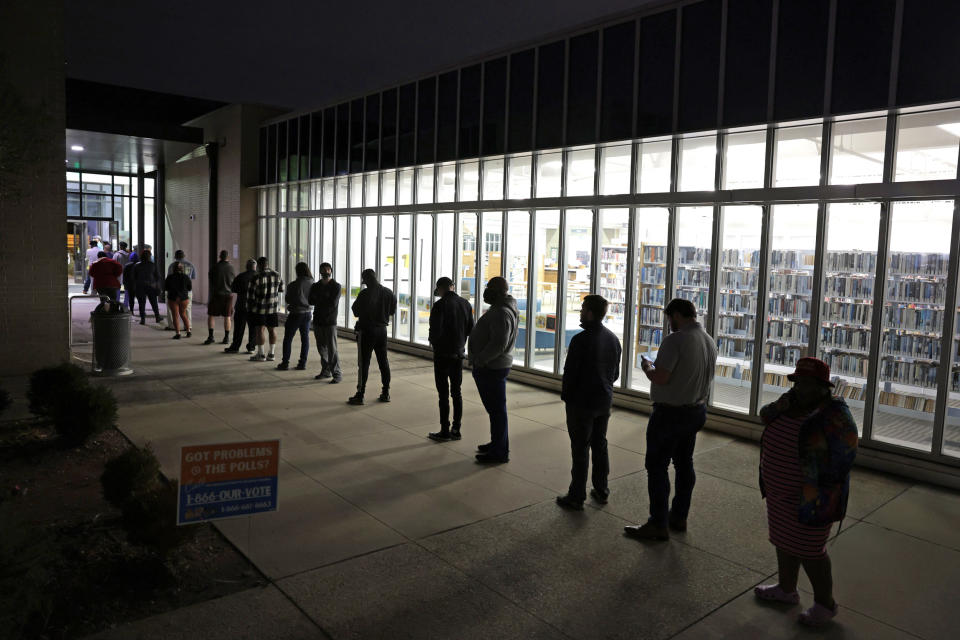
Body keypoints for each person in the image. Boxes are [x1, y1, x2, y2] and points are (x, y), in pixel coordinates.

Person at [753, 357, 858, 627]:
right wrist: (782, 404)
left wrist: (816, 482)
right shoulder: (790, 402)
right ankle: (786, 589)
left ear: (824, 386)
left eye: (808, 383)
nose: (801, 387)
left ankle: (826, 604)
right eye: (798, 381)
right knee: (783, 540)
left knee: (810, 550)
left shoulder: (834, 413)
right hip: (779, 493)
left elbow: (845, 454)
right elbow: (764, 415)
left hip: (811, 498)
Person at [624, 298, 717, 541]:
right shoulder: (708, 340)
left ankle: (657, 523)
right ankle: (679, 516)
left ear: (676, 314)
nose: (669, 324)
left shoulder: (675, 340)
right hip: (696, 410)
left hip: (670, 414)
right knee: (684, 463)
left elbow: (661, 377)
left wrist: (647, 368)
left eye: (669, 318)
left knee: (657, 466)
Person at [556, 295, 622, 510]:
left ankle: (576, 495)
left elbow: (570, 373)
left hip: (581, 403)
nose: (580, 312)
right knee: (600, 444)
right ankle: (601, 489)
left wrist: (567, 396)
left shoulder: (580, 340)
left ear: (590, 313)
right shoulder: (613, 339)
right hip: (603, 401)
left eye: (583, 309)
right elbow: (615, 374)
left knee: (580, 448)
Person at [467, 277, 519, 464]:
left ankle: (499, 451)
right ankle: (497, 443)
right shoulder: (501, 310)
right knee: (495, 411)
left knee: (497, 411)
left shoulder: (501, 313)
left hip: (492, 367)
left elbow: (498, 344)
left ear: (499, 291)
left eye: (489, 287)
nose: (486, 290)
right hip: (491, 366)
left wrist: (480, 359)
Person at [427, 277, 474, 442]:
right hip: (458, 354)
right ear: (452, 287)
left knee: (443, 394)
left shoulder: (439, 305)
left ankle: (444, 430)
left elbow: (435, 331)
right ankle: (456, 429)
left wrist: (435, 343)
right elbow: (470, 329)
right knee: (457, 393)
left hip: (442, 355)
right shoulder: (465, 304)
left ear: (440, 288)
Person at [347, 269, 396, 405]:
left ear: (366, 280)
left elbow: (355, 311)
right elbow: (392, 311)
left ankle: (360, 394)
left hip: (367, 331)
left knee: (364, 363)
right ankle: (386, 392)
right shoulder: (388, 293)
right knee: (383, 362)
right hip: (382, 331)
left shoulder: (365, 294)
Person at [308, 262, 342, 382]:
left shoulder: (336, 286)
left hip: (330, 322)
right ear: (320, 271)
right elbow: (310, 301)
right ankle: (326, 370)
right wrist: (323, 298)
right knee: (321, 348)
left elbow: (333, 303)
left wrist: (319, 298)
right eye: (323, 269)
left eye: (328, 269)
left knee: (332, 349)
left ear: (331, 271)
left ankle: (337, 374)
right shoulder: (315, 286)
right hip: (318, 321)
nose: (326, 271)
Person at [278, 262, 315, 370]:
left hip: (295, 314)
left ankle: (285, 363)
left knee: (288, 338)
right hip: (308, 313)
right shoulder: (313, 283)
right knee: (305, 338)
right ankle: (302, 363)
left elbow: (288, 299)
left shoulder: (293, 285)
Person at [247, 256, 282, 361]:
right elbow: (282, 289)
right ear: (267, 264)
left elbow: (250, 296)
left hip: (260, 309)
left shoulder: (255, 277)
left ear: (258, 265)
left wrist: (249, 309)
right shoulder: (277, 274)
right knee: (272, 330)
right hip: (273, 308)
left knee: (260, 330)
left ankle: (261, 355)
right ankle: (271, 354)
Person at [224, 259, 258, 354]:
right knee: (253, 327)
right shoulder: (258, 277)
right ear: (255, 267)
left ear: (247, 266)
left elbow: (233, 288)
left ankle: (235, 347)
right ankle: (251, 347)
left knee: (239, 328)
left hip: (241, 305)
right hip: (254, 306)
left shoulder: (241, 276)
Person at [205, 250, 236, 345]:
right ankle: (226, 338)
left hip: (216, 294)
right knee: (227, 316)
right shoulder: (231, 268)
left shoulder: (215, 267)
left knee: (211, 315)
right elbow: (233, 281)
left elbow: (211, 280)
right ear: (227, 257)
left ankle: (211, 337)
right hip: (228, 295)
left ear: (219, 256)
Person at [165, 249, 197, 330]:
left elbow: (169, 277)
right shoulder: (191, 265)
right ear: (184, 256)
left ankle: (173, 326)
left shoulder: (172, 265)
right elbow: (193, 277)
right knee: (187, 309)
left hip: (174, 291)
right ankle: (188, 326)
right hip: (186, 291)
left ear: (175, 256)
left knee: (172, 310)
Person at [132, 249, 163, 324]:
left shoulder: (137, 265)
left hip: (140, 286)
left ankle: (143, 319)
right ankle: (157, 317)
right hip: (151, 286)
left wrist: (135, 286)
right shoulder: (153, 265)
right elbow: (158, 276)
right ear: (149, 256)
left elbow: (133, 277)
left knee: (141, 303)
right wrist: (156, 284)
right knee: (154, 302)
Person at [164, 262, 192, 339]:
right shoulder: (186, 277)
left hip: (173, 298)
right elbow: (189, 288)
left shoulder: (170, 277)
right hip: (184, 298)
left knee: (175, 316)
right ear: (182, 269)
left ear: (173, 269)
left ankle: (178, 333)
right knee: (183, 314)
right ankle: (188, 331)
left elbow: (166, 288)